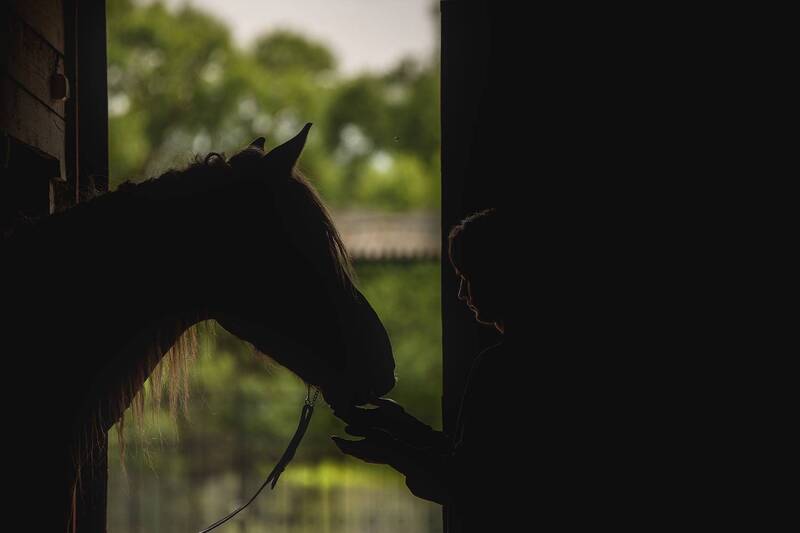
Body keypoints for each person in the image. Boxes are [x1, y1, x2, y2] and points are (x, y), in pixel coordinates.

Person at [331, 208, 516, 531]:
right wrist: (402, 426)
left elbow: (467, 485)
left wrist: (393, 451)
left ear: (499, 275)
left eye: (469, 278)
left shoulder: (499, 367)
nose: (461, 293)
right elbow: (472, 462)